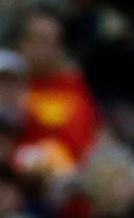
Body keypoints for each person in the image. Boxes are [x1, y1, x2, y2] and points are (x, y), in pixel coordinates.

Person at [15, 12, 99, 174]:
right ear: (22, 43)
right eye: (38, 40)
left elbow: (95, 129)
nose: (44, 49)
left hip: (74, 175)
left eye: (51, 42)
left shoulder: (73, 84)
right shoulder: (11, 82)